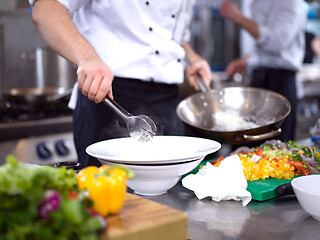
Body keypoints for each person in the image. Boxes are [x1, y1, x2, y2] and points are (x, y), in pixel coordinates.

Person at [29, 0, 212, 168]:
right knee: (108, 193)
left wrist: (192, 57)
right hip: (107, 94)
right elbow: (46, 9)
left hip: (168, 101)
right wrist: (87, 58)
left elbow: (170, 33)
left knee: (169, 197)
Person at [220, 0, 307, 142]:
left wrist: (238, 16)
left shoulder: (292, 3)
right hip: (259, 78)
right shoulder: (258, 3)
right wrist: (247, 61)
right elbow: (265, 51)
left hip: (281, 82)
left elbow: (276, 43)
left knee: (277, 146)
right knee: (250, 141)